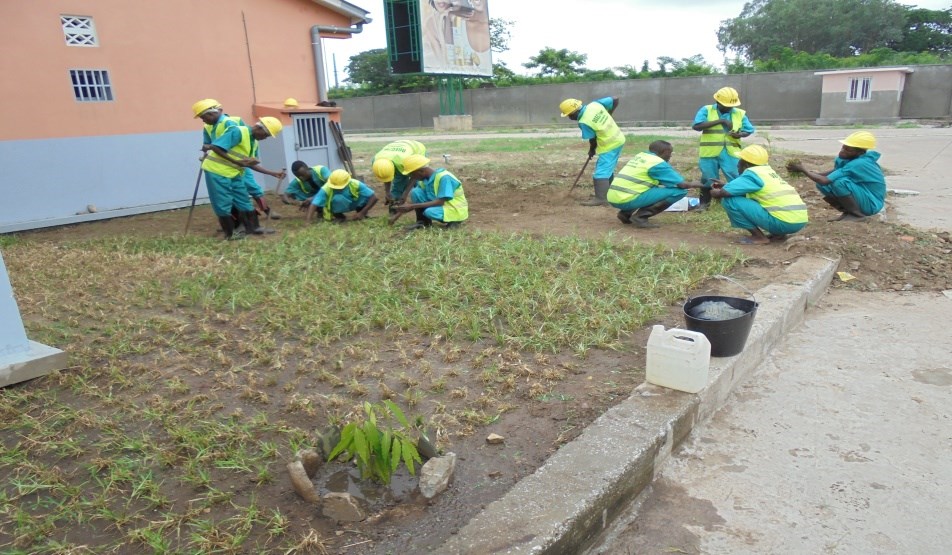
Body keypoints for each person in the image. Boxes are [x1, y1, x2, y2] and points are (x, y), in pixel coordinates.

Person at [193, 99, 281, 222]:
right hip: (222, 166)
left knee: (251, 187)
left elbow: (248, 139)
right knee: (228, 196)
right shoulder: (207, 126)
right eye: (201, 117)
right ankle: (239, 222)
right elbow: (208, 144)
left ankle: (264, 211)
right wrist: (207, 150)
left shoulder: (235, 122)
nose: (203, 120)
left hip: (239, 166)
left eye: (203, 116)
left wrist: (249, 162)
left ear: (213, 113)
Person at [201, 115, 286, 239]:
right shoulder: (238, 131)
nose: (265, 138)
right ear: (259, 127)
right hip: (217, 171)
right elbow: (216, 147)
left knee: (244, 199)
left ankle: (253, 227)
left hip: (235, 172)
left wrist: (272, 173)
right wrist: (237, 162)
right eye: (265, 135)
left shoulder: (254, 142)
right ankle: (230, 233)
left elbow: (249, 163)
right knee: (223, 202)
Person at [709, 145, 808, 245]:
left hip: (784, 223)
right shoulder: (767, 172)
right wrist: (727, 185)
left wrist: (715, 192)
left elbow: (724, 193)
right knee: (756, 200)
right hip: (798, 221)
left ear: (746, 164)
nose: (738, 165)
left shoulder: (751, 174)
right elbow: (750, 189)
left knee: (730, 200)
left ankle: (759, 237)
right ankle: (779, 234)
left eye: (740, 160)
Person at [786, 131, 886, 222]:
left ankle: (857, 215)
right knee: (823, 185)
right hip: (864, 196)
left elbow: (825, 180)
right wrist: (807, 172)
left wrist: (804, 170)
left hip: (872, 203)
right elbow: (833, 174)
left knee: (840, 183)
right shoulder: (851, 160)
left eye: (848, 150)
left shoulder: (859, 163)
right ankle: (848, 212)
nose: (842, 151)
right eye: (843, 147)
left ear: (859, 152)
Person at [607, 140, 704, 228]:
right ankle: (641, 217)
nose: (670, 156)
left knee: (652, 186)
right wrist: (697, 184)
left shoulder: (641, 156)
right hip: (626, 200)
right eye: (670, 153)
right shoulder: (657, 163)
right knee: (679, 192)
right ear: (665, 152)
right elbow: (682, 185)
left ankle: (625, 213)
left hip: (613, 197)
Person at [692, 87, 756, 210]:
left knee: (735, 177)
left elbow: (748, 130)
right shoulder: (706, 110)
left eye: (731, 105)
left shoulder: (739, 113)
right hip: (709, 152)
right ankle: (704, 203)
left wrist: (740, 134)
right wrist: (720, 121)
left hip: (731, 152)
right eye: (726, 105)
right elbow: (697, 126)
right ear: (718, 102)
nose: (729, 108)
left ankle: (740, 203)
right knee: (707, 177)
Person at [559, 96, 626, 207]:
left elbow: (592, 139)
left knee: (601, 173)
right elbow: (615, 99)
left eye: (569, 115)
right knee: (607, 169)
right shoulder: (595, 105)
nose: (570, 118)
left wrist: (591, 150)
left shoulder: (584, 122)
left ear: (574, 112)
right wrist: (609, 113)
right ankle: (607, 192)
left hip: (609, 145)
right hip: (618, 138)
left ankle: (601, 198)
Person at [391, 154, 468, 230]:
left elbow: (440, 202)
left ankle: (455, 221)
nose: (411, 177)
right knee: (416, 192)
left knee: (430, 212)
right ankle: (423, 222)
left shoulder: (444, 178)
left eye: (412, 174)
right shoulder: (424, 180)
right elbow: (415, 201)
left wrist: (412, 206)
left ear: (420, 171)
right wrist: (396, 216)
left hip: (455, 209)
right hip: (443, 206)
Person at [371, 140, 427, 212]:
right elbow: (386, 175)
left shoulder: (402, 163)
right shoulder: (376, 161)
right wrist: (387, 192)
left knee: (418, 182)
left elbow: (415, 176)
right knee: (400, 183)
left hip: (417, 149)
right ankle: (395, 204)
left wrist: (405, 194)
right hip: (399, 151)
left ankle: (423, 200)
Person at [305, 169, 378, 224]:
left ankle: (361, 213)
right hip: (338, 205)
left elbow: (374, 197)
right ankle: (339, 216)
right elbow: (314, 204)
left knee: (365, 196)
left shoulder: (356, 184)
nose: (337, 188)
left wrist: (362, 212)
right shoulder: (326, 188)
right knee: (338, 198)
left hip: (355, 203)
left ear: (347, 183)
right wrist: (308, 221)